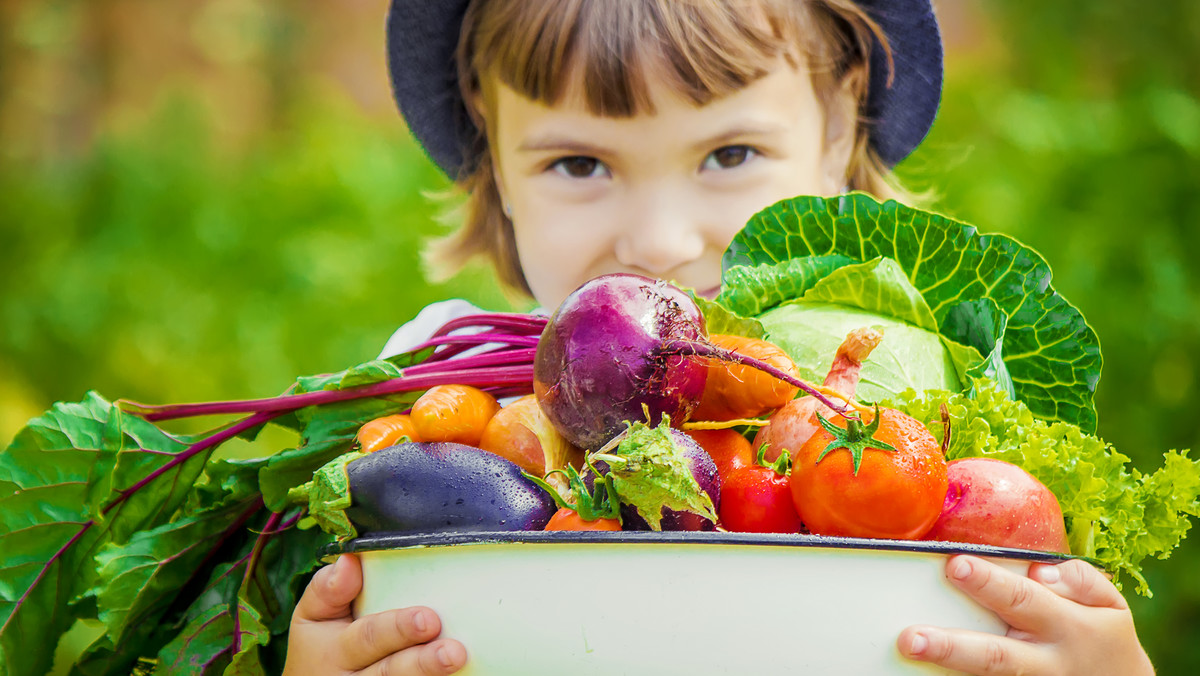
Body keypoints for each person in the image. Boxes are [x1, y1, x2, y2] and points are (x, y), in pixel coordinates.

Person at [282, 1, 1155, 674]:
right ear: (495, 158)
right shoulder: (442, 376)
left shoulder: (942, 416)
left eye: (730, 154)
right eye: (579, 164)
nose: (661, 241)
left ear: (840, 127)